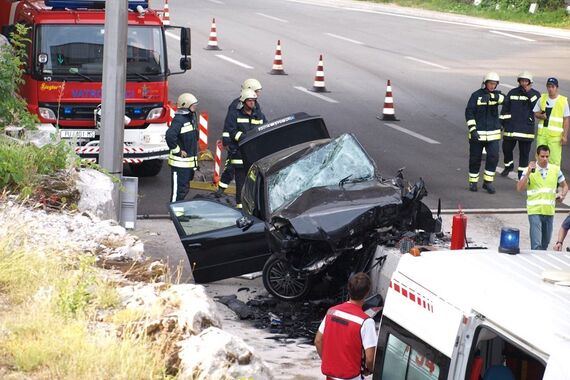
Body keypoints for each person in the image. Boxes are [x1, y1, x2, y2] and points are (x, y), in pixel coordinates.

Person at [314, 273, 377, 380]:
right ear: (367, 293)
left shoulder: (332, 311)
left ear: (349, 289)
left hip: (330, 377)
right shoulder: (366, 322)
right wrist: (369, 370)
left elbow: (318, 341)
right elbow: (370, 359)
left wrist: (329, 363)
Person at [216, 88, 267, 208]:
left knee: (254, 184)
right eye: (249, 101)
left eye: (254, 101)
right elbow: (231, 130)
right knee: (241, 184)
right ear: (243, 102)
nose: (252, 103)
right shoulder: (236, 114)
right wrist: (245, 138)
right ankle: (240, 207)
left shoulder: (258, 115)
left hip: (254, 156)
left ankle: (252, 207)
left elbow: (265, 127)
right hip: (239, 155)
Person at [516, 145, 568, 250]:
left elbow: (565, 186)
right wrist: (528, 173)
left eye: (547, 156)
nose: (545, 159)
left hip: (549, 211)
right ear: (537, 156)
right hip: (534, 211)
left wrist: (562, 195)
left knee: (545, 243)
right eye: (542, 156)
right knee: (536, 244)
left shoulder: (555, 170)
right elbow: (519, 188)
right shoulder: (528, 170)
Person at [465, 72, 504, 194]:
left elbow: (505, 100)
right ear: (485, 83)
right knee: (475, 159)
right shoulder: (476, 96)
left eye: (494, 84)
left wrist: (493, 97)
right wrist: (473, 130)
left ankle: (488, 182)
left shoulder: (498, 96)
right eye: (490, 83)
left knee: (493, 157)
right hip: (478, 134)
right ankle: (473, 182)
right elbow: (469, 113)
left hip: (493, 135)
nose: (492, 86)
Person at [500, 71, 540, 179]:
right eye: (522, 81)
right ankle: (508, 166)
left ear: (530, 82)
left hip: (526, 130)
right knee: (506, 149)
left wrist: (528, 92)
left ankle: (521, 174)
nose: (523, 83)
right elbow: (505, 109)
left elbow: (536, 107)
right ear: (519, 81)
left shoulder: (535, 94)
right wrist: (501, 124)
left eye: (526, 81)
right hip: (511, 128)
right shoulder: (512, 92)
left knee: (524, 154)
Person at [165, 93, 199, 202]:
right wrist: (178, 151)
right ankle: (174, 213)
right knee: (178, 191)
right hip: (179, 164)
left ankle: (179, 213)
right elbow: (170, 136)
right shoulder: (179, 120)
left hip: (187, 164)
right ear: (186, 105)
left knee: (183, 190)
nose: (195, 106)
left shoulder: (190, 118)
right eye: (193, 104)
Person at [533, 77, 570, 166]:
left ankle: (554, 179)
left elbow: (566, 119)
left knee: (554, 160)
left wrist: (565, 136)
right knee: (539, 159)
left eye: (552, 86)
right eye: (549, 86)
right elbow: (535, 113)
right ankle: (539, 178)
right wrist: (541, 116)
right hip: (542, 135)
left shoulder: (562, 101)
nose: (550, 89)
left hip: (555, 137)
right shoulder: (542, 98)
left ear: (556, 87)